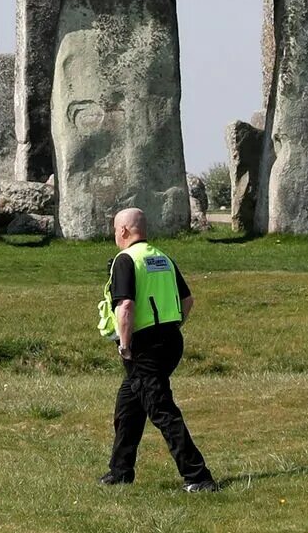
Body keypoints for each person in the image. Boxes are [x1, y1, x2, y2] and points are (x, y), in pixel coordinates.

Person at [96, 207, 219, 491]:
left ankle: (198, 477)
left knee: (162, 409)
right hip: (171, 340)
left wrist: (126, 346)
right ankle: (120, 471)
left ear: (124, 231)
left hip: (143, 347)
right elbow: (187, 301)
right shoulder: (161, 257)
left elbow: (125, 306)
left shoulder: (125, 260)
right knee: (128, 405)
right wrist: (171, 326)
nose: (115, 235)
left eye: (116, 230)